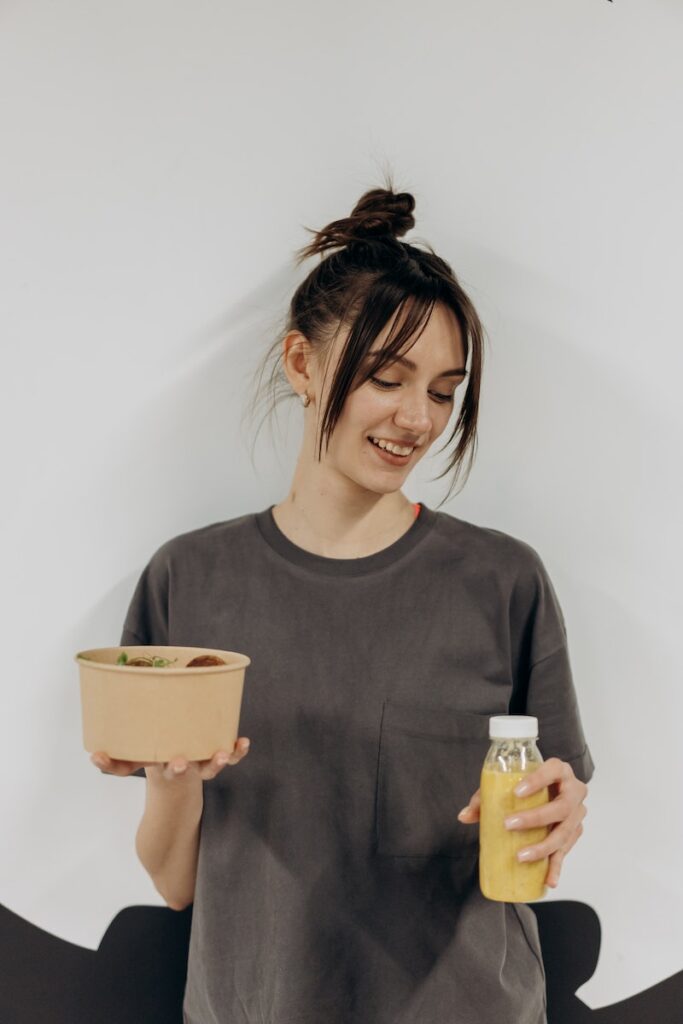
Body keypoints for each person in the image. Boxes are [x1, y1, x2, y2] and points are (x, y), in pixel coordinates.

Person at [90, 178, 594, 1024]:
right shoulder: (190, 579)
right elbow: (176, 883)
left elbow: (543, 829)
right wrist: (176, 782)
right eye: (386, 378)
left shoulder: (501, 580)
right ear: (301, 364)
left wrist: (561, 811)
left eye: (443, 391)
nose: (417, 419)